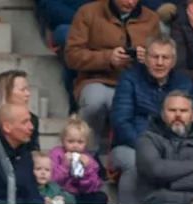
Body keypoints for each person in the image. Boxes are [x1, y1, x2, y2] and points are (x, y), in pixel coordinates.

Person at [110, 35, 193, 204]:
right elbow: (121, 121)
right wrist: (146, 149)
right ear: (145, 58)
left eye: (165, 57)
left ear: (173, 61)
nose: (160, 62)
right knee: (135, 164)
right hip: (130, 145)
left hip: (171, 147)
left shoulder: (183, 83)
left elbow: (189, 122)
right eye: (155, 57)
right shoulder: (129, 79)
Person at [64, 0, 161, 143]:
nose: (131, 2)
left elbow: (163, 57)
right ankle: (88, 153)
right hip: (98, 79)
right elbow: (72, 56)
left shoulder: (151, 18)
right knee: (94, 101)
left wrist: (148, 57)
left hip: (137, 82)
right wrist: (108, 58)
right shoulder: (88, 13)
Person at [135, 90, 193, 204]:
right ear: (163, 114)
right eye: (172, 110)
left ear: (192, 116)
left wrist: (171, 184)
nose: (178, 115)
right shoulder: (148, 139)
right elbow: (156, 170)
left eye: (183, 111)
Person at [50, 114, 107, 204]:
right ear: (62, 140)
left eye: (80, 142)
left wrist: (87, 170)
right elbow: (52, 180)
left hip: (80, 194)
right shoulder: (56, 154)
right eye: (70, 141)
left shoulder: (89, 159)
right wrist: (65, 166)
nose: (75, 145)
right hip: (61, 194)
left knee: (101, 197)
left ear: (86, 143)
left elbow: (92, 187)